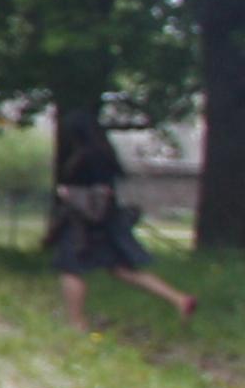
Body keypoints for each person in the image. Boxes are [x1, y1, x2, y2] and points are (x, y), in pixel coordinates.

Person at [43, 108, 201, 331]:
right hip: (108, 221)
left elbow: (81, 192)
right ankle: (179, 299)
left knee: (71, 268)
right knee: (122, 268)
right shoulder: (105, 154)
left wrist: (67, 194)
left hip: (82, 224)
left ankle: (76, 322)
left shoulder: (82, 158)